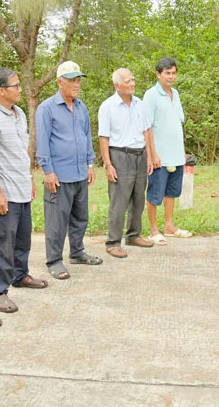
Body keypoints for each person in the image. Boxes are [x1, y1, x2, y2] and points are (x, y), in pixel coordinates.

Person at [0, 68, 48, 314]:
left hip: (22, 187)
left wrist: (30, 179)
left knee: (22, 239)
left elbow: (21, 152)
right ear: (1, 91)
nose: (20, 89)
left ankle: (20, 275)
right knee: (0, 242)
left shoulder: (19, 114)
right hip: (4, 191)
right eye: (15, 86)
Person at [36, 61, 101, 279]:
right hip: (59, 176)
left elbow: (86, 136)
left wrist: (90, 164)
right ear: (60, 82)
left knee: (80, 217)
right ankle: (54, 260)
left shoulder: (81, 107)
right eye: (72, 80)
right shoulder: (46, 108)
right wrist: (48, 171)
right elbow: (43, 141)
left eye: (78, 80)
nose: (76, 84)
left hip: (80, 173)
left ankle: (77, 252)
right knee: (56, 221)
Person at [98, 68, 155, 258]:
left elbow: (146, 131)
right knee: (119, 201)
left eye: (133, 80)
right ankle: (113, 242)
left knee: (139, 198)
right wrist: (108, 164)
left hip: (140, 155)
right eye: (128, 81)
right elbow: (104, 137)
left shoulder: (140, 104)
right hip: (120, 156)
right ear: (117, 85)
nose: (133, 84)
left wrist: (149, 157)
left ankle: (133, 235)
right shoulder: (108, 107)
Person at [143, 58, 193, 245]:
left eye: (173, 73)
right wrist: (152, 155)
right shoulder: (151, 95)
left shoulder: (175, 94)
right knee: (155, 193)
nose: (171, 77)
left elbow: (177, 123)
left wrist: (182, 151)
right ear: (158, 74)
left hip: (176, 155)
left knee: (171, 192)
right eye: (167, 73)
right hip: (159, 156)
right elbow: (146, 127)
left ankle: (169, 226)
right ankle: (153, 230)